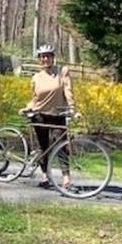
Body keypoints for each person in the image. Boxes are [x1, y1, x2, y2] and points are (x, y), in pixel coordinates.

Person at [21, 43, 77, 189]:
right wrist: (27, 108)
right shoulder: (36, 77)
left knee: (61, 146)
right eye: (43, 57)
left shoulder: (62, 71)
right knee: (43, 147)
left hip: (58, 115)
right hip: (40, 116)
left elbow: (68, 91)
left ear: (53, 58)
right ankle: (45, 176)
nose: (45, 59)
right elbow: (35, 99)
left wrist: (72, 109)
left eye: (48, 56)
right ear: (40, 59)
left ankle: (66, 179)